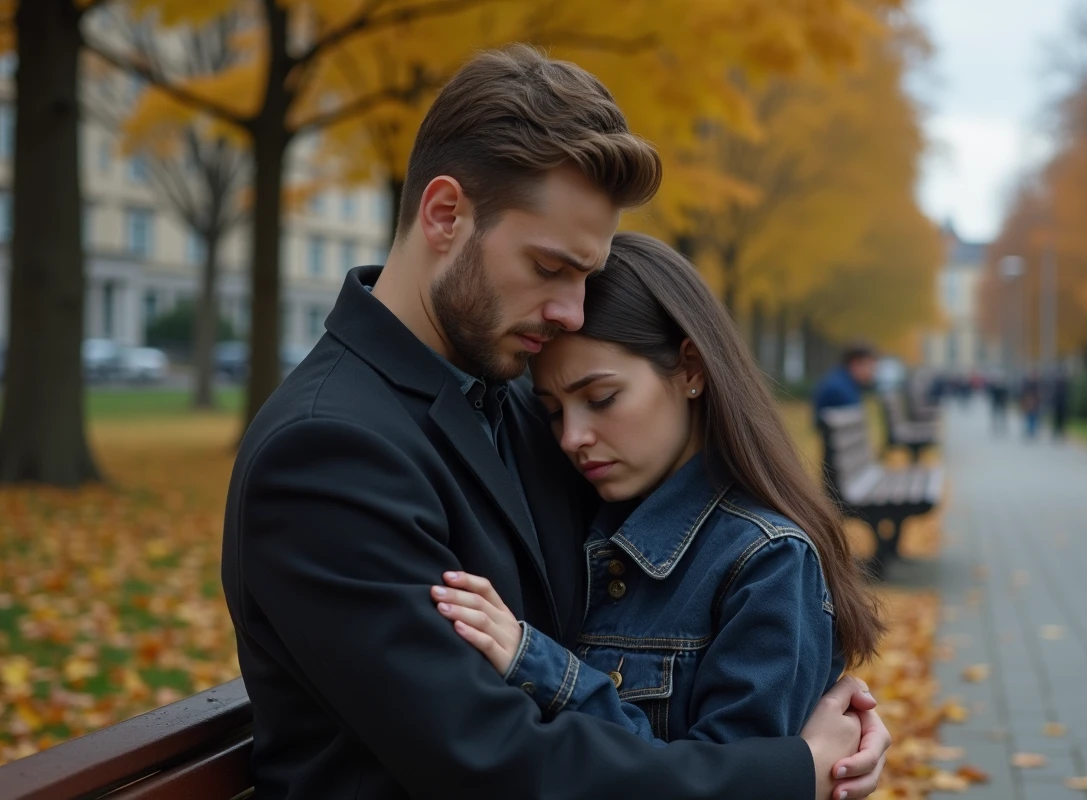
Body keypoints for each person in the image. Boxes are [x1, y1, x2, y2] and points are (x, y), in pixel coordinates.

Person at [222, 46, 890, 800]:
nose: (573, 312)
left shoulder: (515, 397)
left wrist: (826, 707)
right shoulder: (328, 453)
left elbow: (690, 589)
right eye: (550, 268)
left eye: (586, 275)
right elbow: (495, 763)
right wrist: (791, 769)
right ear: (445, 215)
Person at [430, 232, 886, 747]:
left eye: (601, 398)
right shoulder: (579, 514)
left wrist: (540, 666)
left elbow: (732, 781)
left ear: (690, 369)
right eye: (553, 411)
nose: (571, 437)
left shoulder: (767, 562)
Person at [813, 342, 877, 426]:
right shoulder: (841, 389)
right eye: (870, 366)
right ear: (855, 363)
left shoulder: (842, 381)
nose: (872, 372)